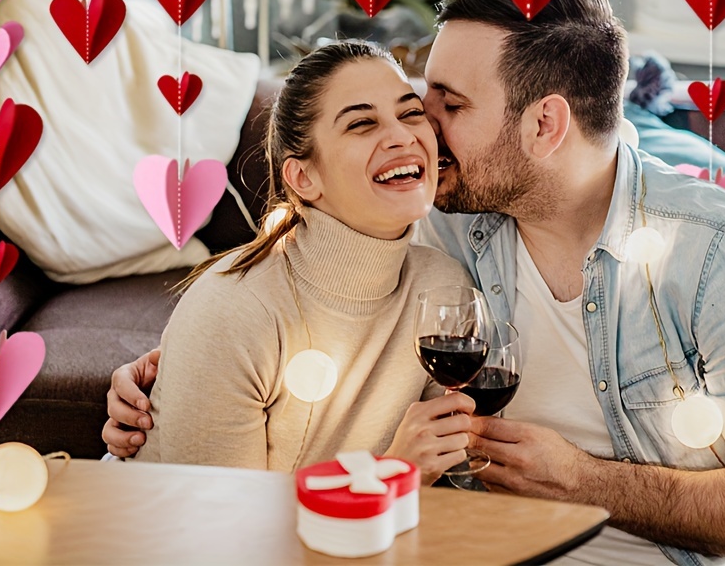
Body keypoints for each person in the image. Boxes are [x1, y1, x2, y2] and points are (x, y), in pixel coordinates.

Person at [105, 0, 725, 565]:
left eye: (447, 105)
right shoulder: (448, 216)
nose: (420, 132)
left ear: (544, 125)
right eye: (418, 100)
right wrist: (164, 385)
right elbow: (309, 277)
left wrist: (586, 482)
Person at [126, 40, 476, 483]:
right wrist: (395, 472)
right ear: (303, 177)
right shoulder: (233, 312)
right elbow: (220, 532)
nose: (403, 136)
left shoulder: (443, 287)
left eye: (410, 113)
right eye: (362, 124)